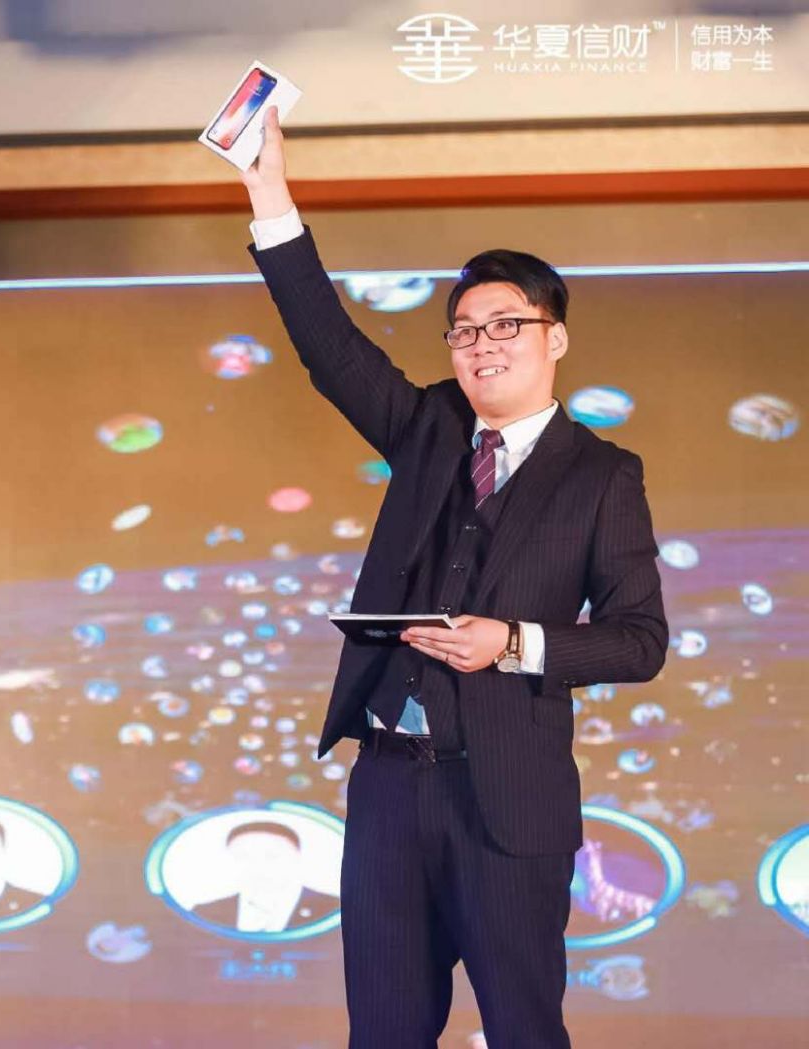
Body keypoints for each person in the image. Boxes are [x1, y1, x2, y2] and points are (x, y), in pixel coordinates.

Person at [240, 108, 667, 1048]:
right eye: (464, 330)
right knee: (384, 1031)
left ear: (555, 339)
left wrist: (511, 643)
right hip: (390, 787)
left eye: (507, 324)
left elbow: (640, 641)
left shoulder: (603, 476)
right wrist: (268, 192)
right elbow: (329, 346)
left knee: (523, 1028)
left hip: (507, 796)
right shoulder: (429, 425)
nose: (482, 344)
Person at [190, 821, 336, 933]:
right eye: (243, 856)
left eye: (271, 856)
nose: (257, 866)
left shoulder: (333, 910)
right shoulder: (206, 914)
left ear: (297, 858)